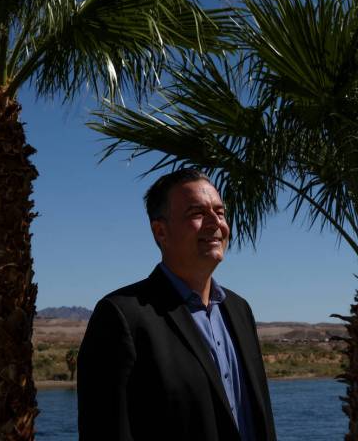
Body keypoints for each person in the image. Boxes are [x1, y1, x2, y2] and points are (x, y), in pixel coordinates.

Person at [76, 169, 276, 441]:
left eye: (219, 212)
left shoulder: (240, 310)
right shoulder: (122, 316)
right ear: (161, 231)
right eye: (197, 213)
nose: (215, 223)